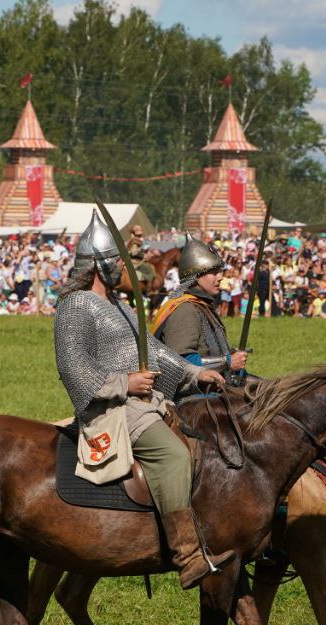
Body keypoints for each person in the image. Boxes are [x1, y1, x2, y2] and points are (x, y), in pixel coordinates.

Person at [53, 213, 230, 590]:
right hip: (112, 407)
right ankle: (186, 553)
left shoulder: (120, 306)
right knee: (173, 455)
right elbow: (73, 368)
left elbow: (155, 350)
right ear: (99, 265)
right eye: (116, 261)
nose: (123, 266)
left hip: (148, 401)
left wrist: (194, 374)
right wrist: (124, 382)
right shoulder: (76, 306)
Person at [153, 238, 248, 378]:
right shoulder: (185, 310)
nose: (220, 277)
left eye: (220, 271)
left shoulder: (202, 305)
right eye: (213, 272)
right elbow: (180, 362)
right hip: (194, 396)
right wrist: (227, 362)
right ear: (196, 276)